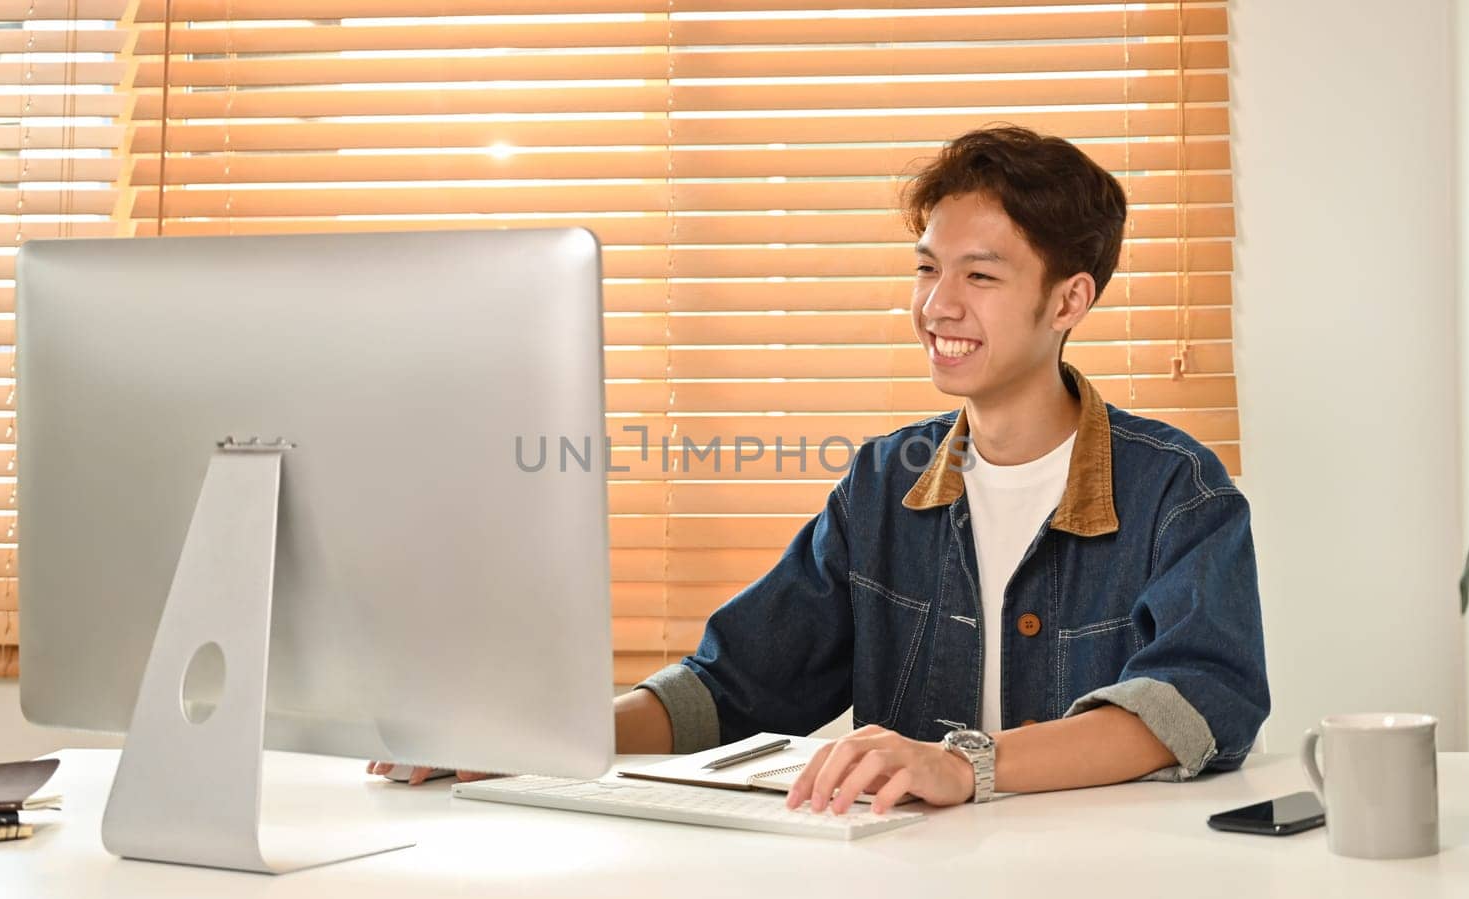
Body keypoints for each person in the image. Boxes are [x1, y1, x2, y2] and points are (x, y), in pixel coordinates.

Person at [376, 125, 1269, 817]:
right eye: (927, 268)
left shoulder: (1178, 491)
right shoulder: (884, 485)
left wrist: (965, 765)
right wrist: (538, 739)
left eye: (980, 276)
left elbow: (1195, 704)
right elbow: (734, 684)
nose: (936, 305)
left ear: (1071, 298)